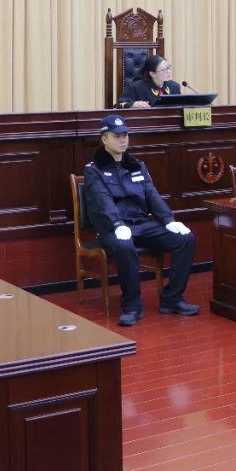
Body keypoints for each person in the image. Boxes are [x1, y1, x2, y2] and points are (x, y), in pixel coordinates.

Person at [82, 115, 198, 326]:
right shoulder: (93, 170)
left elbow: (152, 195)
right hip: (111, 228)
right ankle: (132, 307)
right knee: (125, 246)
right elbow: (102, 201)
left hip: (141, 224)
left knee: (185, 239)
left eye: (125, 135)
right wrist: (117, 224)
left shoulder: (136, 165)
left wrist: (168, 219)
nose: (123, 140)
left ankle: (172, 299)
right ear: (104, 139)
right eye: (117, 136)